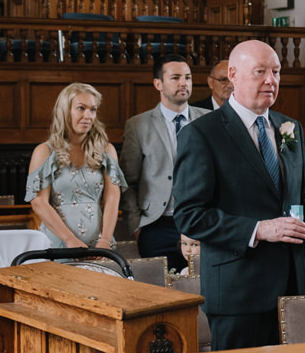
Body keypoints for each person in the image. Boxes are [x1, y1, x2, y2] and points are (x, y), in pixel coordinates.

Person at [173, 40, 305, 350]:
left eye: (276, 72)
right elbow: (189, 216)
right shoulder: (203, 134)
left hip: (291, 286)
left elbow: (304, 192)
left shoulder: (289, 128)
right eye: (260, 71)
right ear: (233, 74)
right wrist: (260, 229)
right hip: (238, 290)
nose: (271, 80)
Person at [120, 55, 208, 272]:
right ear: (158, 83)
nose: (183, 83)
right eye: (175, 78)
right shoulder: (138, 125)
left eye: (187, 77)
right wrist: (137, 226)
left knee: (204, 288)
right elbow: (128, 181)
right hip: (157, 223)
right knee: (162, 290)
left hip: (201, 219)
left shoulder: (209, 120)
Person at [26, 83, 127, 252]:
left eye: (93, 110)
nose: (88, 115)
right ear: (65, 111)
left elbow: (112, 198)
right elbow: (39, 203)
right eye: (81, 108)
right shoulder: (44, 151)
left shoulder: (106, 150)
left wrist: (105, 240)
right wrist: (69, 240)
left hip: (99, 246)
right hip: (57, 244)